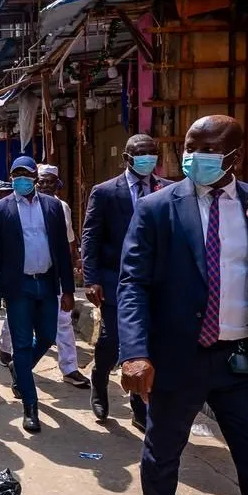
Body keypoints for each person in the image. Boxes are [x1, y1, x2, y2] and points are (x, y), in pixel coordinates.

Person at [117, 115, 248, 495]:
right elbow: (132, 283)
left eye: (208, 149)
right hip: (177, 359)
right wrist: (135, 351)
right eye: (191, 147)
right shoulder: (157, 208)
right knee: (162, 458)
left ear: (235, 156)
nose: (195, 156)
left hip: (241, 361)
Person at [81, 134, 171, 431]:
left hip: (155, 282)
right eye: (140, 154)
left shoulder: (168, 190)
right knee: (111, 341)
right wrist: (91, 278)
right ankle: (100, 379)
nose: (147, 159)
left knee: (148, 343)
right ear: (127, 159)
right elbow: (91, 237)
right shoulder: (106, 192)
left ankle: (139, 405)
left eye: (152, 153)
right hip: (115, 281)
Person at [0, 156, 75, 432]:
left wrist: (69, 289)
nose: (21, 178)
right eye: (16, 174)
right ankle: (30, 405)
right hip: (19, 286)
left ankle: (18, 368)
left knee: (48, 336)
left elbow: (62, 249)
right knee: (22, 343)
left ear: (36, 176)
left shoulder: (53, 207)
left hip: (47, 284)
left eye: (26, 173)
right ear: (11, 177)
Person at [0, 164, 90, 388]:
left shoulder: (60, 207)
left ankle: (68, 367)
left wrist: (71, 271)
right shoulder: (9, 207)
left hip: (51, 277)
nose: (46, 185)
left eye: (51, 181)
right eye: (43, 181)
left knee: (61, 323)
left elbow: (66, 242)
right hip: (22, 279)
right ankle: (8, 351)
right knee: (17, 323)